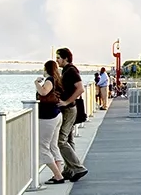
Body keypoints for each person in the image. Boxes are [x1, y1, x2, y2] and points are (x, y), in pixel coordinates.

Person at [55, 48, 88, 182]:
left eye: (58, 57)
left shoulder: (71, 70)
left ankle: (78, 168)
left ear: (65, 58)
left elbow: (80, 88)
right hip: (68, 109)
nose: (57, 60)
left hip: (69, 109)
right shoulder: (66, 70)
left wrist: (66, 101)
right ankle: (69, 170)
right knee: (68, 139)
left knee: (61, 140)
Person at [35, 60, 65, 184]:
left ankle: (58, 175)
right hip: (56, 114)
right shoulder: (58, 80)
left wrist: (36, 83)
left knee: (42, 147)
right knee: (53, 146)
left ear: (46, 68)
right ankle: (59, 173)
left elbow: (43, 92)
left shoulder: (50, 80)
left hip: (47, 117)